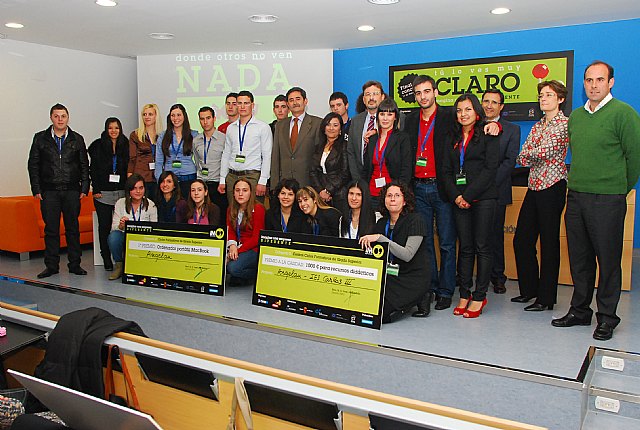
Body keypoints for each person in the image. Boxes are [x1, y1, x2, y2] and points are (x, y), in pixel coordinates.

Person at [552, 61, 640, 341]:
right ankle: (579, 311)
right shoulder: (576, 117)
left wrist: (618, 188)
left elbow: (634, 158)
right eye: (589, 80)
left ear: (611, 82)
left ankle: (607, 317)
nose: (593, 85)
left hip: (608, 198)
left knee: (609, 260)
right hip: (576, 196)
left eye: (599, 80)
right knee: (580, 259)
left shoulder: (624, 114)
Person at [512, 80, 569, 311]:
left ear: (560, 99)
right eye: (541, 95)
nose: (543, 99)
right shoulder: (538, 126)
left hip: (553, 186)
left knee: (549, 243)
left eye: (548, 95)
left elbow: (547, 151)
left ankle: (546, 299)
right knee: (522, 240)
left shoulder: (564, 124)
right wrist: (532, 155)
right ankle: (529, 291)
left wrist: (532, 155)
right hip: (534, 186)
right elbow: (523, 155)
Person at [441, 93, 499, 319]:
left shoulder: (489, 133)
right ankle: (464, 293)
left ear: (476, 111)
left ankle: (479, 295)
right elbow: (445, 171)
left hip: (483, 198)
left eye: (467, 109)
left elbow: (490, 169)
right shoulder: (451, 137)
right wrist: (456, 196)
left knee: (482, 247)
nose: (462, 114)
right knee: (464, 248)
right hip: (458, 199)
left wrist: (468, 195)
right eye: (459, 110)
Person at [405, 75, 457, 315]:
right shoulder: (411, 119)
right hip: (418, 187)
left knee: (446, 242)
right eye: (418, 93)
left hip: (442, 187)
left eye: (427, 91)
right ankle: (431, 287)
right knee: (424, 242)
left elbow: (470, 131)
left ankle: (446, 291)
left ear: (435, 92)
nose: (422, 96)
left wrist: (494, 124)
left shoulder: (448, 116)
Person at [28, 103, 90, 278]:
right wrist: (36, 189)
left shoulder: (77, 139)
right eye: (57, 116)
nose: (60, 119)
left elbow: (84, 165)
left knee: (72, 228)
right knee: (51, 230)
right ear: (51, 118)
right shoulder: (40, 138)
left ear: (68, 118)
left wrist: (85, 187)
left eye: (63, 116)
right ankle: (51, 266)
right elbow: (33, 165)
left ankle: (75, 264)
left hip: (72, 190)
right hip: (49, 191)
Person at [359, 182, 430, 323]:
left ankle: (422, 296)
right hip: (390, 275)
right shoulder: (381, 223)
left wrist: (381, 238)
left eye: (397, 195)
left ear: (405, 201)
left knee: (379, 315)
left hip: (412, 277)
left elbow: (407, 255)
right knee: (364, 304)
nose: (392, 199)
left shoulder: (416, 220)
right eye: (389, 195)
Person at [481, 89, 520, 294]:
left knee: (495, 236)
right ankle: (474, 276)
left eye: (494, 102)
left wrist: (487, 182)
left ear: (501, 106)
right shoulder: (473, 125)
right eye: (486, 101)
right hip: (473, 192)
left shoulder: (512, 130)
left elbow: (509, 161)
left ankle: (498, 277)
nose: (489, 105)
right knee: (473, 237)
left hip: (497, 190)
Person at [88, 117, 129, 271]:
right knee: (104, 226)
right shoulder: (97, 146)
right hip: (103, 194)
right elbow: (93, 170)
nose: (114, 131)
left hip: (121, 193)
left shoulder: (125, 144)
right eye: (110, 128)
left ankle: (122, 258)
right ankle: (106, 257)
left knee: (122, 225)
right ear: (106, 129)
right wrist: (96, 189)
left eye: (117, 128)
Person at [218, 90, 272, 204]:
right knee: (233, 213)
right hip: (232, 176)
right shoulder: (231, 128)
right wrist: (222, 179)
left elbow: (267, 156)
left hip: (252, 176)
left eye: (246, 103)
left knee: (253, 214)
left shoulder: (263, 127)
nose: (242, 106)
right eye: (239, 103)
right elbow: (226, 154)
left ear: (252, 105)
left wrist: (263, 181)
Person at [363, 98, 412, 208]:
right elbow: (366, 169)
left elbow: (406, 169)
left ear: (395, 117)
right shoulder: (372, 139)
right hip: (371, 194)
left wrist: (399, 193)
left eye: (389, 114)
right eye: (382, 114)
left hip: (392, 196)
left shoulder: (402, 138)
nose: (385, 118)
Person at [107, 174, 157, 280]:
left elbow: (154, 228)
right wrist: (121, 226)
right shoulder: (120, 203)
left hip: (143, 238)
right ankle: (119, 266)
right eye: (134, 188)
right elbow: (114, 227)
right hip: (125, 235)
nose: (138, 191)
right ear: (129, 190)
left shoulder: (151, 205)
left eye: (141, 188)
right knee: (113, 237)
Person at [271, 86, 322, 187]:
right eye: (291, 100)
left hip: (308, 183)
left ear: (305, 101)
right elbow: (276, 156)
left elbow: (319, 156)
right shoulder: (280, 125)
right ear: (288, 104)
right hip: (284, 184)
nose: (295, 103)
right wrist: (274, 185)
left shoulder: (317, 123)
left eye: (298, 99)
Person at [226, 177, 265, 285]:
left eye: (245, 190)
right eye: (237, 190)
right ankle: (240, 276)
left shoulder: (258, 208)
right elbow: (230, 231)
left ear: (250, 193)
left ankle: (257, 274)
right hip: (236, 246)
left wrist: (237, 250)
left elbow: (257, 238)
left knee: (232, 268)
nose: (240, 194)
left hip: (253, 248)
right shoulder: (231, 208)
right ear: (233, 193)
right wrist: (232, 246)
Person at [155, 103, 198, 198]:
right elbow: (158, 161)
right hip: (170, 180)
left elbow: (199, 159)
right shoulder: (163, 136)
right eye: (173, 115)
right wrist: (160, 181)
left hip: (189, 176)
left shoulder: (194, 135)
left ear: (184, 116)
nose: (176, 118)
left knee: (187, 208)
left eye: (179, 115)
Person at [309, 112, 351, 210]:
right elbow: (313, 171)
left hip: (339, 195)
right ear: (324, 128)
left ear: (340, 129)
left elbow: (345, 173)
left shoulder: (345, 146)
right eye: (328, 124)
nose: (331, 128)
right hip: (320, 195)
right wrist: (320, 191)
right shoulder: (318, 147)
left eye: (335, 125)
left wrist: (328, 191)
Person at [194, 106, 227, 222]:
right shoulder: (196, 140)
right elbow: (197, 162)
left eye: (208, 118)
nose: (205, 122)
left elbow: (226, 161)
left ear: (214, 118)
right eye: (202, 119)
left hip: (218, 185)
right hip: (202, 184)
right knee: (203, 218)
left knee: (219, 218)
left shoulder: (224, 139)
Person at [347, 81, 386, 181]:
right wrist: (357, 179)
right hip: (360, 178)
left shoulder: (392, 120)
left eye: (375, 94)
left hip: (384, 177)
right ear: (364, 99)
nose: (371, 98)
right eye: (368, 94)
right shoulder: (355, 121)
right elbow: (351, 152)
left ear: (382, 97)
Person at [128, 103, 163, 198]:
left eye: (150, 114)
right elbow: (132, 158)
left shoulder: (162, 135)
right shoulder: (135, 135)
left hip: (158, 178)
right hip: (141, 178)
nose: (147, 117)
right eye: (144, 114)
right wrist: (130, 178)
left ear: (156, 116)